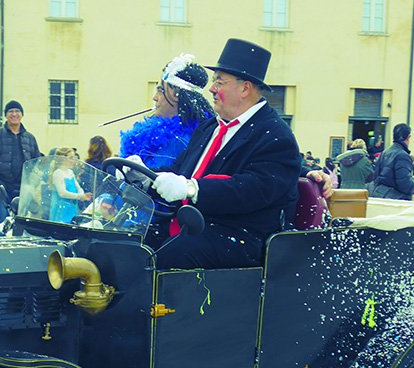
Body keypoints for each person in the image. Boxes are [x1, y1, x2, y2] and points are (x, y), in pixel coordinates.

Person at [149, 39, 301, 269]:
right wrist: (144, 175)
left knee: (175, 253)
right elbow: (180, 171)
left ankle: (161, 304)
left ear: (245, 88)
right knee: (135, 241)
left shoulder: (275, 135)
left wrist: (193, 188)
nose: (211, 88)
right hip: (195, 226)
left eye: (219, 81)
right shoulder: (210, 128)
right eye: (213, 81)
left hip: (241, 238)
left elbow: (253, 188)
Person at [120, 54, 214, 170]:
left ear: (176, 95)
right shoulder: (156, 131)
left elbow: (154, 182)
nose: (155, 97)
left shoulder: (181, 141)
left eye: (160, 91)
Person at [0, 100, 41, 233]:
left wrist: (33, 184)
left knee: (22, 226)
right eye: (10, 111)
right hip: (2, 188)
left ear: (22, 114)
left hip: (24, 190)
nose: (14, 114)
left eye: (17, 111)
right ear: (6, 116)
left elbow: (37, 163)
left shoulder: (30, 138)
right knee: (2, 225)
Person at [369, 123, 414, 200]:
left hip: (380, 196)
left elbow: (376, 177)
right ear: (408, 138)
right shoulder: (403, 156)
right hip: (396, 200)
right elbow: (405, 185)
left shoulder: (385, 152)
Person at [49, 147, 92, 223]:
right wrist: (79, 196)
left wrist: (82, 195)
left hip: (71, 206)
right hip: (61, 209)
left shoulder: (70, 172)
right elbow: (62, 193)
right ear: (62, 159)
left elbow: (78, 188)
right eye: (71, 158)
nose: (74, 160)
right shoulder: (58, 173)